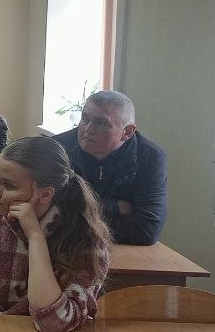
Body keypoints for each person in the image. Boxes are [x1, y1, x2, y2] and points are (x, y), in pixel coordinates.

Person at [0, 136, 111, 332]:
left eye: (9, 185)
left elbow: (54, 322)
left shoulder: (85, 239)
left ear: (46, 194)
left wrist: (35, 237)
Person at [53, 90, 167, 245]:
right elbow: (49, 212)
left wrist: (76, 216)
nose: (88, 129)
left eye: (101, 123)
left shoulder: (149, 156)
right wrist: (115, 207)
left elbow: (147, 229)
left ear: (127, 132)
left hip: (120, 250)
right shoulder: (58, 147)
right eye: (85, 118)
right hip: (65, 246)